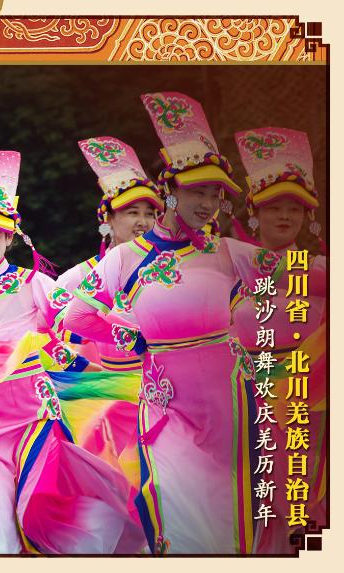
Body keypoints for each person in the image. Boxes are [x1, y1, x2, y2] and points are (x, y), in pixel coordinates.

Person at [64, 92, 324, 554]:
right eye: (197, 191)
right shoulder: (126, 258)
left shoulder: (227, 252)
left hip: (230, 402)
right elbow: (77, 315)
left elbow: (309, 274)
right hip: (165, 403)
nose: (208, 202)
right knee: (175, 503)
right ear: (171, 189)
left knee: (229, 508)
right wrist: (133, 337)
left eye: (215, 193)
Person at [0, 150, 143, 554]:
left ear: (10, 237)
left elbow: (77, 322)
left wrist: (130, 336)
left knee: (38, 514)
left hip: (32, 419)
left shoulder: (34, 283)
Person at [231, 127, 327, 551]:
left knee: (304, 497)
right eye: (274, 207)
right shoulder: (229, 267)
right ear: (254, 213)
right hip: (245, 399)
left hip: (308, 403)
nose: (285, 216)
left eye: (295, 208)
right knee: (254, 496)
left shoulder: (322, 271)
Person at [54, 136, 163, 483]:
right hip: (99, 405)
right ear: (108, 220)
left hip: (161, 397)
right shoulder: (78, 279)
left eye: (150, 213)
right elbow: (51, 340)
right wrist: (89, 373)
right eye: (132, 212)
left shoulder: (169, 274)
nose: (142, 222)